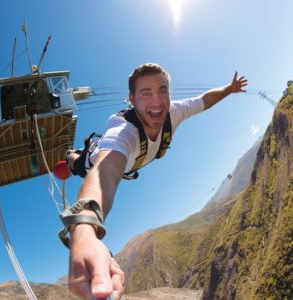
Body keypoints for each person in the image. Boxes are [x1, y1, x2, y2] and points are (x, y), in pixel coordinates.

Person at [64, 63, 247, 299]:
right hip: (95, 161)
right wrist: (84, 228)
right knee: (78, 163)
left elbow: (204, 100)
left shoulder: (175, 111)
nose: (157, 103)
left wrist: (229, 89)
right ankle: (70, 154)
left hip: (129, 164)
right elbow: (105, 174)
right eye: (146, 93)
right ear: (131, 99)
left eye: (163, 90)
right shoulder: (123, 131)